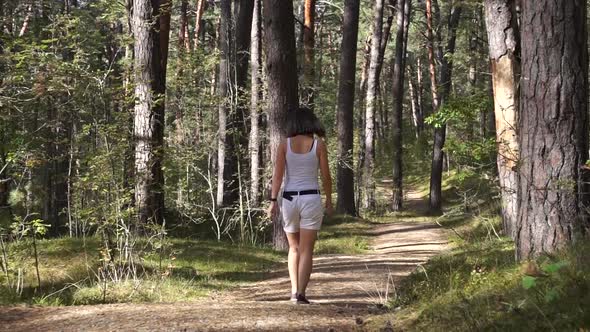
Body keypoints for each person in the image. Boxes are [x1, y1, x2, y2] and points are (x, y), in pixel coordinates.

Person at [267, 107, 333, 305]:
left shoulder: (285, 145)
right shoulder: (318, 145)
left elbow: (277, 176)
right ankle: (302, 294)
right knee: (306, 249)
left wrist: (272, 201)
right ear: (311, 123)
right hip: (311, 198)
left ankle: (293, 291)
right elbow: (326, 176)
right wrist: (329, 199)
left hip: (288, 200)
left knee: (293, 248)